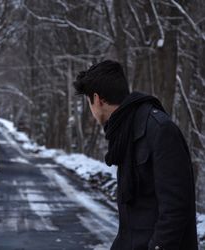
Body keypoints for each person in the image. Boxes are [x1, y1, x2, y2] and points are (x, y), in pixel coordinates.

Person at [73, 60, 198, 250]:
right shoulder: (126, 132)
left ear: (97, 99)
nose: (91, 111)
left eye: (89, 102)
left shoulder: (159, 130)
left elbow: (176, 209)